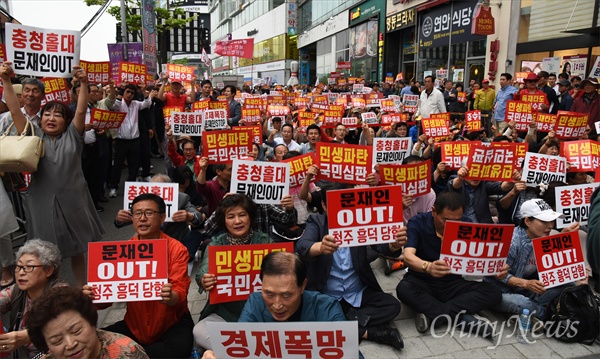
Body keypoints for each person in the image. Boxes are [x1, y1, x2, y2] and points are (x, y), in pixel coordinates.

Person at [0, 63, 104, 288]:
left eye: (58, 115)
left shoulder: (73, 136)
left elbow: (80, 109)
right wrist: (7, 81)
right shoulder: (34, 136)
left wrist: (83, 83)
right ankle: (47, 293)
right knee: (44, 252)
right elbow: (15, 110)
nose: (52, 118)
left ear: (66, 121)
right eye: (47, 113)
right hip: (41, 201)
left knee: (78, 249)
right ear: (41, 118)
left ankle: (80, 289)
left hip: (74, 199)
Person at [296, 184, 407, 350]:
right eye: (335, 204)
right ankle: (370, 332)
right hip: (327, 293)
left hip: (358, 291)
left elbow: (381, 246)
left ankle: (342, 322)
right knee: (305, 315)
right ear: (324, 206)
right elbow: (303, 246)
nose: (342, 209)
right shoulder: (317, 221)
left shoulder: (361, 221)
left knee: (392, 306)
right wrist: (320, 247)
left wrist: (394, 244)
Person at [83, 193, 193, 358]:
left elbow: (180, 291)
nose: (142, 218)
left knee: (178, 349)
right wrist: (94, 295)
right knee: (91, 342)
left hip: (172, 324)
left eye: (149, 213)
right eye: (137, 213)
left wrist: (171, 296)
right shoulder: (121, 252)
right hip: (134, 325)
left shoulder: (176, 249)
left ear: (162, 217)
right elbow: (105, 302)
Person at [396, 191, 506, 338]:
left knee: (493, 291)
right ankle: (462, 318)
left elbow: (477, 261)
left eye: (457, 219)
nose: (452, 225)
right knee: (403, 289)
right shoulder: (418, 222)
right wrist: (427, 267)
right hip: (422, 281)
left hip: (453, 283)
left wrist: (494, 268)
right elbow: (408, 256)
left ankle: (435, 315)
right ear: (434, 211)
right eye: (446, 220)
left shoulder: (466, 224)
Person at [201, 251, 350, 359]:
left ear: (303, 285)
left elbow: (350, 353)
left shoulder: (327, 308)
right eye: (269, 294)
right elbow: (240, 348)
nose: (277, 305)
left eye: (287, 295)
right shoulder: (256, 303)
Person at [193, 194, 272, 350]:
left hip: (262, 313)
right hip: (225, 315)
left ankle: (237, 350)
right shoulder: (217, 244)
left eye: (242, 215)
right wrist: (204, 279)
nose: (237, 221)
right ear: (224, 221)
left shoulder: (265, 241)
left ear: (250, 217)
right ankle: (246, 350)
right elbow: (204, 269)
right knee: (199, 331)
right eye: (231, 216)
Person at [486, 199, 581, 320]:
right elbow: (497, 274)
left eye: (552, 221)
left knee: (569, 284)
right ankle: (548, 316)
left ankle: (534, 311)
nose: (550, 225)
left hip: (528, 290)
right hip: (500, 292)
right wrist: (526, 284)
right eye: (544, 221)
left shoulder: (544, 238)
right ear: (527, 221)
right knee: (521, 303)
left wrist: (563, 238)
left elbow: (554, 268)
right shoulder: (511, 242)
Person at [27, 286, 149, 359]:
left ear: (91, 321)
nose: (70, 344)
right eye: (57, 341)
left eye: (76, 331)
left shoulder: (128, 354)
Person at [0, 239, 67, 358]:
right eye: (19, 266)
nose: (21, 272)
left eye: (29, 267)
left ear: (49, 270)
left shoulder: (61, 292)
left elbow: (62, 323)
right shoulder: (17, 290)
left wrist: (28, 335)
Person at [108, 84, 157, 198]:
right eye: (127, 92)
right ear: (124, 92)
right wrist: (120, 91)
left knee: (134, 165)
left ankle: (131, 187)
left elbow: (147, 103)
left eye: (132, 93)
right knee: (118, 165)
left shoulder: (136, 104)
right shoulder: (119, 104)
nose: (129, 95)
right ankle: (113, 187)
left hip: (134, 140)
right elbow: (114, 105)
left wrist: (145, 92)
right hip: (121, 140)